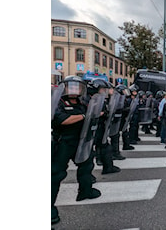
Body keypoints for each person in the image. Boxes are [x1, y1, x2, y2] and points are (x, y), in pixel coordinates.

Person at [51, 76, 101, 225]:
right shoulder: (58, 103)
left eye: (77, 87)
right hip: (64, 143)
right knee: (56, 174)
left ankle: (85, 191)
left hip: (81, 141)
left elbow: (92, 116)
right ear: (64, 88)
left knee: (86, 166)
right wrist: (84, 116)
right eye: (70, 86)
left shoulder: (82, 103)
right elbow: (63, 120)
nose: (74, 90)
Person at [89, 79, 121, 174]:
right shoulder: (89, 99)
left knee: (105, 146)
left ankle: (108, 166)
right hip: (94, 128)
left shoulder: (102, 100)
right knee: (94, 150)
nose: (104, 91)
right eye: (102, 89)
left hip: (101, 126)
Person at [111, 84, 131, 160]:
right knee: (115, 136)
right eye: (123, 91)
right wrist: (125, 109)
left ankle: (116, 152)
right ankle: (115, 153)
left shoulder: (122, 98)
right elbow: (117, 108)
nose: (125, 92)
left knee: (117, 135)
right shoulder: (117, 99)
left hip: (121, 119)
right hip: (116, 120)